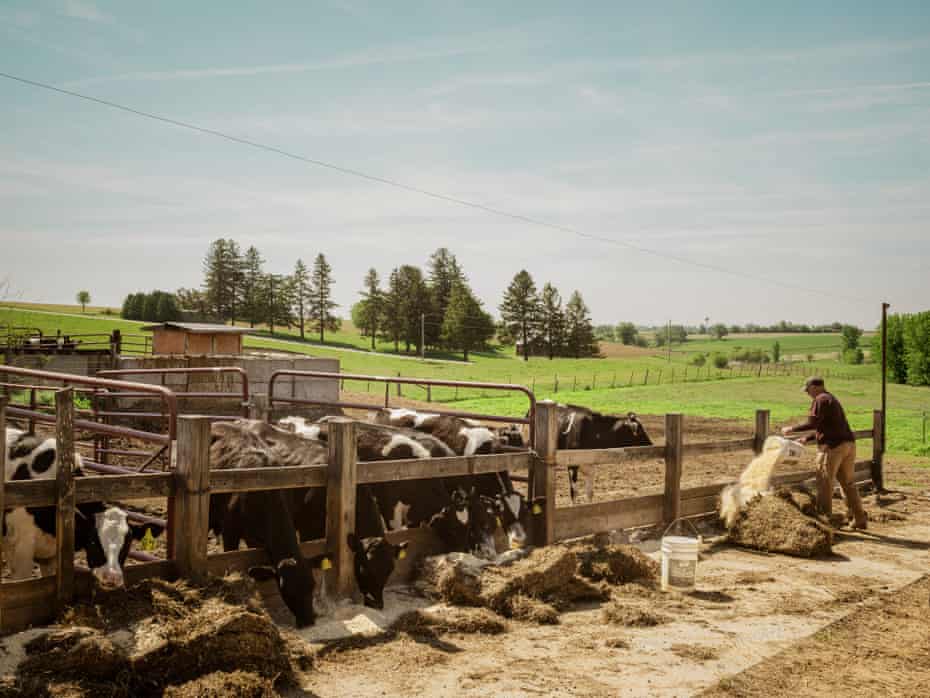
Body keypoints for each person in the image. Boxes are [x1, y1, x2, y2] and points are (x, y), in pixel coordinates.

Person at [782, 376, 868, 530]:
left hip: (832, 447)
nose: (807, 393)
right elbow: (825, 427)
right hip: (848, 444)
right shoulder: (831, 399)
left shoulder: (820, 400)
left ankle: (825, 522)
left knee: (824, 483)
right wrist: (806, 438)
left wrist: (791, 429)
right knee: (848, 483)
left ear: (815, 387)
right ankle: (859, 518)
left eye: (808, 389)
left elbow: (813, 423)